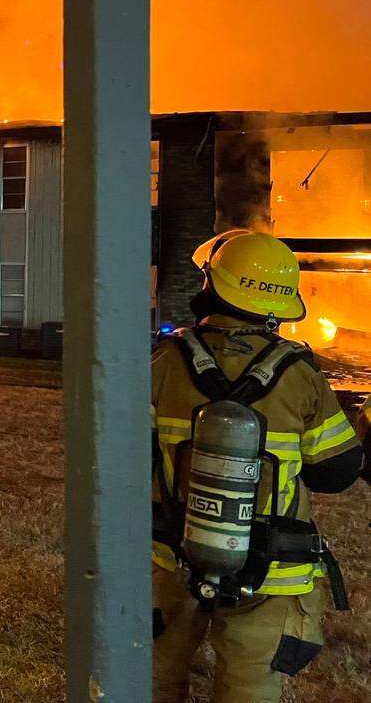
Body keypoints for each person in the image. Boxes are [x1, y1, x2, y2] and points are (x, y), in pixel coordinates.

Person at [150, 230, 364, 702]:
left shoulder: (165, 361)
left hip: (175, 553)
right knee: (250, 685)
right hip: (271, 569)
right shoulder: (300, 375)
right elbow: (337, 471)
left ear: (214, 286)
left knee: (157, 672)